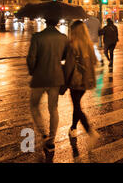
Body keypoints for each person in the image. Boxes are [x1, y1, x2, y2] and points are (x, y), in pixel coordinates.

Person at [26, 17, 69, 152]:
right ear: (56, 22)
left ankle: (43, 132)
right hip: (55, 77)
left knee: (34, 105)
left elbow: (31, 58)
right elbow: (65, 57)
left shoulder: (37, 37)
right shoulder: (63, 37)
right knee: (53, 108)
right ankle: (51, 139)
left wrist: (33, 71)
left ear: (45, 21)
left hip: (40, 76)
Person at [63, 20, 100, 148]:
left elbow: (68, 66)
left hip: (75, 80)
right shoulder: (89, 44)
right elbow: (95, 62)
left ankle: (90, 131)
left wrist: (65, 81)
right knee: (76, 104)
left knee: (77, 107)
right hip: (86, 80)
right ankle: (73, 128)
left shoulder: (73, 45)